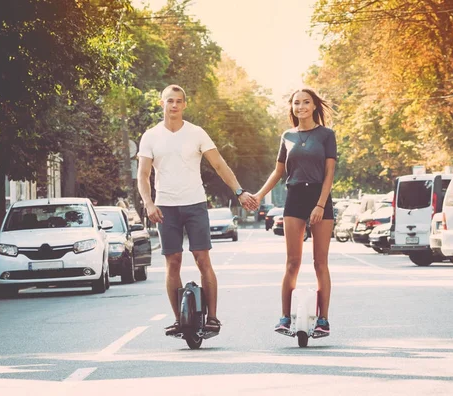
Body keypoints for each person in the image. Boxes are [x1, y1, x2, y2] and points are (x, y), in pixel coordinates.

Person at [137, 84, 258, 335]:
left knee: (203, 259)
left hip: (195, 204)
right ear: (162, 104)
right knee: (173, 262)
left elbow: (219, 164)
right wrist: (148, 203)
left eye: (179, 101)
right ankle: (179, 321)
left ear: (184, 105)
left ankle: (212, 318)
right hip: (165, 207)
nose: (174, 105)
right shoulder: (150, 136)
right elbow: (143, 174)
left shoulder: (197, 133)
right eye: (170, 101)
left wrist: (239, 191)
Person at [254, 88, 336, 337]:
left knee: (320, 262)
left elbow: (330, 173)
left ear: (314, 106)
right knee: (292, 262)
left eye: (306, 102)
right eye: (296, 103)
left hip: (319, 197)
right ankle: (285, 317)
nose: (301, 107)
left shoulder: (326, 135)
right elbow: (278, 172)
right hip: (295, 197)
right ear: (292, 108)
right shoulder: (287, 136)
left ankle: (323, 320)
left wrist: (320, 205)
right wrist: (258, 195)